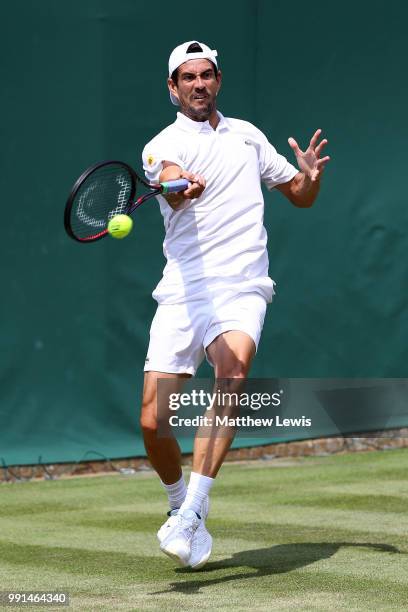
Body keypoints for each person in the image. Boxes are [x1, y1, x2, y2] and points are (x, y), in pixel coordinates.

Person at [140, 40, 330, 569]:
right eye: (188, 77)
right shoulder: (160, 146)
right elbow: (172, 183)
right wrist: (181, 187)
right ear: (172, 88)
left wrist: (310, 178)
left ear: (217, 80)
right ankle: (182, 504)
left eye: (207, 75)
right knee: (154, 423)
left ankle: (195, 510)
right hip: (183, 290)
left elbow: (297, 193)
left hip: (243, 284)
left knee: (234, 370)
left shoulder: (247, 135)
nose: (199, 84)